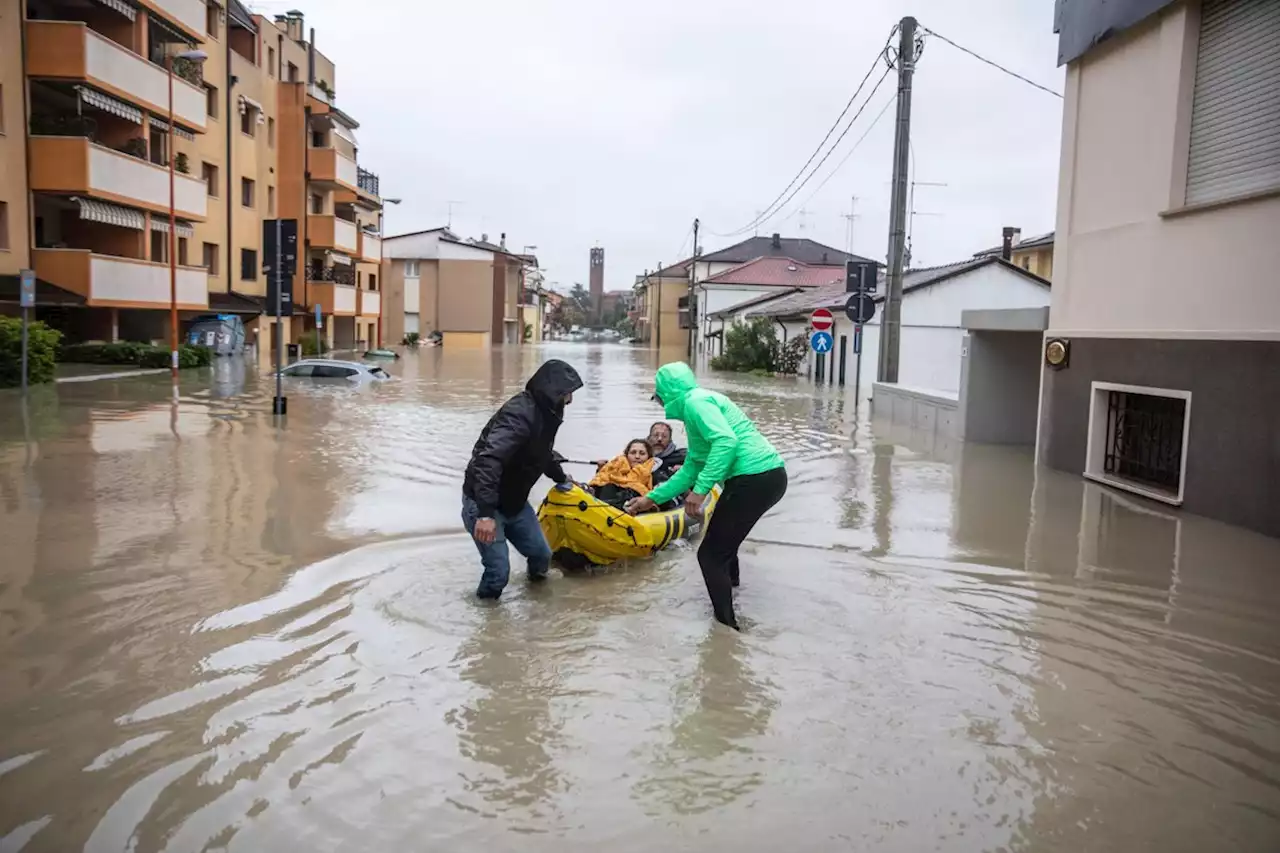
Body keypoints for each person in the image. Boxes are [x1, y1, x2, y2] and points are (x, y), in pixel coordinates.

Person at [625, 363, 787, 630]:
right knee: (723, 546)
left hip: (755, 478)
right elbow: (691, 468)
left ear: (667, 393)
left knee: (709, 556)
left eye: (658, 397)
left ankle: (726, 631)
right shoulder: (697, 407)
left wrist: (700, 491)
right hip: (764, 477)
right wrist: (650, 499)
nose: (659, 402)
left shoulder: (695, 403)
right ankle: (732, 594)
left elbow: (726, 442)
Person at [462, 359, 583, 599]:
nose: (571, 399)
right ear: (554, 391)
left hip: (515, 502)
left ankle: (537, 599)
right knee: (499, 572)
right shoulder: (519, 414)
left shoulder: (549, 413)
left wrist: (561, 478)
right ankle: (487, 621)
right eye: (568, 393)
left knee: (542, 556)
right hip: (485, 503)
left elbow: (542, 453)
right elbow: (489, 461)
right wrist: (485, 514)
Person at [588, 438, 655, 508]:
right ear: (626, 455)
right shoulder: (614, 467)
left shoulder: (654, 473)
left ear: (649, 456)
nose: (637, 456)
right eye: (633, 453)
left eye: (642, 453)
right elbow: (598, 483)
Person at [647, 421, 687, 487]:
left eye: (664, 436)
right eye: (656, 435)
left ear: (670, 440)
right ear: (649, 438)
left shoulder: (682, 456)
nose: (659, 439)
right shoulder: (638, 455)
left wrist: (685, 469)